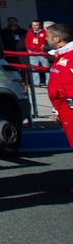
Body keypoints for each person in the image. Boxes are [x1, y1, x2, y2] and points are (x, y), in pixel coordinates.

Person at [43, 24, 73, 163]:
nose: (46, 39)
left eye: (48, 36)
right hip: (64, 107)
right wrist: (56, 110)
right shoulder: (61, 55)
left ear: (57, 39)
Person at [27, 19, 49, 86]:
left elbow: (47, 42)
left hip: (42, 53)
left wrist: (45, 50)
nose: (34, 27)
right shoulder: (30, 32)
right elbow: (27, 41)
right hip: (32, 53)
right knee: (34, 68)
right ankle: (36, 83)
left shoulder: (45, 32)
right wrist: (29, 49)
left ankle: (48, 83)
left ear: (40, 26)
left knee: (46, 68)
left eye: (36, 25)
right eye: (33, 25)